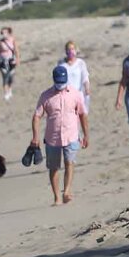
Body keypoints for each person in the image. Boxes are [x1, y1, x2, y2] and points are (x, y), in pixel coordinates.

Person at [32, 66, 89, 206]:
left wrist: (86, 134)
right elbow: (37, 116)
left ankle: (67, 191)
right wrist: (35, 137)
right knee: (54, 167)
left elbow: (82, 114)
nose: (60, 85)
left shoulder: (75, 94)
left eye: (62, 81)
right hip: (52, 137)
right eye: (58, 82)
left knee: (70, 162)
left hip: (72, 135)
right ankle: (57, 197)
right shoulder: (46, 96)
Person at [58, 40, 91, 113]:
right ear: (66, 51)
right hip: (65, 94)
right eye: (68, 49)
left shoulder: (80, 63)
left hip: (78, 93)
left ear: (75, 50)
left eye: (72, 49)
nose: (70, 51)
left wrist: (87, 88)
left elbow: (85, 77)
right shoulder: (61, 63)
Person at [0, 27, 19, 101]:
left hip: (11, 61)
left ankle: (10, 90)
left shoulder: (12, 40)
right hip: (3, 61)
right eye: (2, 33)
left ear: (9, 33)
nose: (3, 34)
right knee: (5, 76)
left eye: (5, 32)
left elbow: (16, 50)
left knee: (11, 76)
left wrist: (17, 59)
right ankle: (6, 92)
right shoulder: (1, 42)